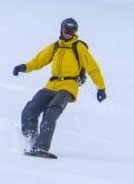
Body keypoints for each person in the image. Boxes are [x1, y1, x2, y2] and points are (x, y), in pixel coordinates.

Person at [12, 17, 106, 158]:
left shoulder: (79, 47)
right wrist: (24, 67)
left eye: (72, 31)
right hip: (51, 85)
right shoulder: (55, 46)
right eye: (66, 30)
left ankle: (41, 148)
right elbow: (39, 60)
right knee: (29, 111)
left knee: (51, 113)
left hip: (68, 86)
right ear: (61, 30)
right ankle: (31, 143)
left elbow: (92, 67)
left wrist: (101, 87)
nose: (68, 34)